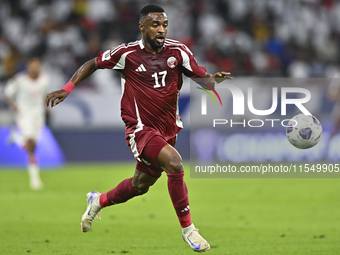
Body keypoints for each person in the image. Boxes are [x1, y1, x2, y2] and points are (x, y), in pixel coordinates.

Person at [45, 5, 231, 252]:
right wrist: (67, 88)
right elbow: (92, 63)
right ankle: (189, 230)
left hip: (168, 129)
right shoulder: (127, 53)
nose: (161, 29)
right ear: (142, 27)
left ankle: (97, 201)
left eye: (164, 25)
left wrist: (212, 82)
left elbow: (201, 78)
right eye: (155, 25)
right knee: (175, 164)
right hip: (140, 128)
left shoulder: (179, 51)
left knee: (139, 186)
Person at [5, 57, 50, 190]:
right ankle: (35, 180)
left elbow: (44, 95)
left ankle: (17, 138)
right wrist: (13, 105)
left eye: (37, 65)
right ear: (28, 67)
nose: (35, 68)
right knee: (30, 143)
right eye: (33, 66)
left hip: (38, 115)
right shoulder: (20, 80)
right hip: (24, 114)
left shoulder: (45, 79)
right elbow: (7, 92)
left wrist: (47, 108)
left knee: (33, 146)